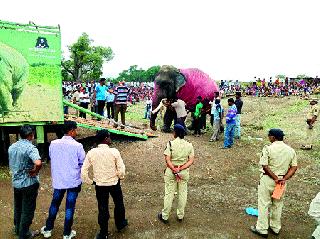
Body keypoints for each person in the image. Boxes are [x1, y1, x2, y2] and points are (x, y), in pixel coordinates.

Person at [41, 121, 85, 239]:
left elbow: (51, 157)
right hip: (73, 180)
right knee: (69, 207)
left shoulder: (53, 144)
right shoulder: (77, 146)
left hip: (59, 180)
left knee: (55, 204)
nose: (76, 132)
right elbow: (82, 162)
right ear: (71, 131)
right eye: (75, 130)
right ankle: (66, 233)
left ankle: (48, 229)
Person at [250, 129, 297, 238]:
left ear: (273, 137)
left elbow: (265, 166)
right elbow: (294, 167)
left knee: (264, 203)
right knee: (277, 204)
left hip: (268, 180)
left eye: (269, 136)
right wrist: (284, 178)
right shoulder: (290, 150)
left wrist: (275, 178)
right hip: (281, 182)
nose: (268, 138)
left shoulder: (268, 149)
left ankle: (262, 228)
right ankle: (275, 227)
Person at [81, 130, 128, 239]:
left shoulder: (91, 152)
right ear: (106, 139)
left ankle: (103, 233)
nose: (110, 139)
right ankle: (120, 223)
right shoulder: (114, 151)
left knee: (102, 208)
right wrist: (119, 176)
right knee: (119, 204)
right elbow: (122, 169)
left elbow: (83, 171)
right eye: (109, 137)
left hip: (100, 185)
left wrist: (90, 181)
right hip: (114, 183)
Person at [9, 125, 42, 239]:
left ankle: (17, 229)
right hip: (28, 184)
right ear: (30, 135)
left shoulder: (12, 146)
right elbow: (38, 162)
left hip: (16, 183)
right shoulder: (30, 147)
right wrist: (35, 171)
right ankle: (24, 234)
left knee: (18, 207)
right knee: (27, 210)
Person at [158, 124, 195, 224]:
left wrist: (174, 169)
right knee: (183, 193)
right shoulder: (189, 145)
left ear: (175, 133)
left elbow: (167, 159)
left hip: (171, 172)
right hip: (183, 172)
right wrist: (181, 168)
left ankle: (165, 216)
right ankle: (180, 215)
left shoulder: (170, 144)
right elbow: (191, 160)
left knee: (169, 194)